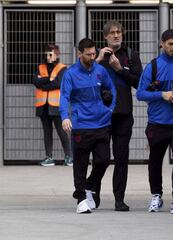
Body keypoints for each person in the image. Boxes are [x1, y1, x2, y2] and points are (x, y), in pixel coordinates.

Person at [136, 29, 173, 214]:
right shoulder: (153, 67)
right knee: (155, 160)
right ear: (161, 44)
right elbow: (140, 94)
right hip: (157, 123)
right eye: (170, 44)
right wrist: (162, 94)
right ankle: (156, 195)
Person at [88, 20, 143, 212]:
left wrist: (119, 69)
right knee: (100, 159)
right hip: (101, 116)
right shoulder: (97, 56)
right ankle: (93, 195)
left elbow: (139, 83)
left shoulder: (130, 55)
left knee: (121, 159)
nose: (116, 35)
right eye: (112, 33)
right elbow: (83, 79)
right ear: (105, 37)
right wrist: (97, 60)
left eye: (119, 32)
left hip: (123, 115)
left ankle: (119, 199)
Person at [59, 38, 116, 214]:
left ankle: (89, 186)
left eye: (94, 53)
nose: (92, 57)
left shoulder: (100, 70)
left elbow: (112, 89)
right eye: (88, 54)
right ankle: (81, 199)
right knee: (80, 163)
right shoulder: (70, 74)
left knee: (104, 160)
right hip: (81, 125)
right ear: (79, 54)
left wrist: (109, 110)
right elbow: (64, 97)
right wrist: (64, 117)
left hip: (101, 123)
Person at [33, 44, 72, 167]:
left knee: (62, 131)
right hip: (43, 106)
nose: (49, 56)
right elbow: (36, 82)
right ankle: (49, 157)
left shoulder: (62, 68)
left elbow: (58, 83)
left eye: (52, 53)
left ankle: (68, 157)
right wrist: (47, 80)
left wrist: (43, 82)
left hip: (55, 105)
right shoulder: (40, 67)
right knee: (47, 132)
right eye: (48, 53)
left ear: (57, 54)